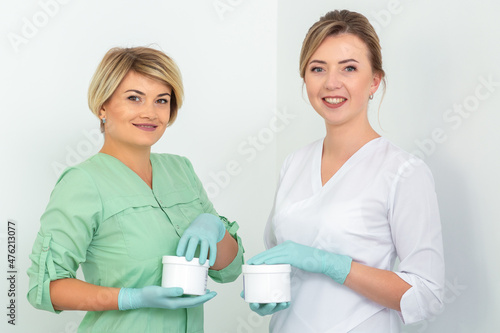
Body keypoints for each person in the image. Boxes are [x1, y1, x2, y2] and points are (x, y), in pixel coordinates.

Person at [245, 9, 445, 333]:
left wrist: (334, 265)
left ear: (374, 82)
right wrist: (269, 290)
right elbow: (280, 255)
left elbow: (426, 294)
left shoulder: (403, 172)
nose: (331, 83)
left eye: (349, 68)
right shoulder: (294, 164)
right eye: (317, 68)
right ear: (305, 78)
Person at [27, 46, 244, 332]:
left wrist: (213, 226)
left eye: (161, 100)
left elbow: (229, 268)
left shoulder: (181, 171)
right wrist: (129, 298)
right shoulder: (83, 182)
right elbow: (44, 288)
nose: (150, 113)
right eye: (134, 98)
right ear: (102, 106)